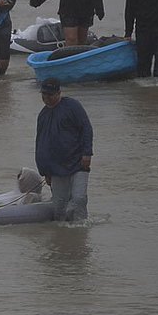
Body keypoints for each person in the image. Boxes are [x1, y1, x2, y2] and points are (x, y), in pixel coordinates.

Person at [35, 78, 93, 222]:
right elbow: (41, 145)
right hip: (56, 169)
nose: (46, 99)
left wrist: (87, 153)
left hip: (78, 163)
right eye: (44, 95)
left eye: (50, 95)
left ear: (59, 93)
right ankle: (62, 237)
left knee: (79, 198)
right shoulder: (43, 115)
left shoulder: (73, 107)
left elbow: (86, 129)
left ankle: (80, 230)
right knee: (59, 207)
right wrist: (44, 171)